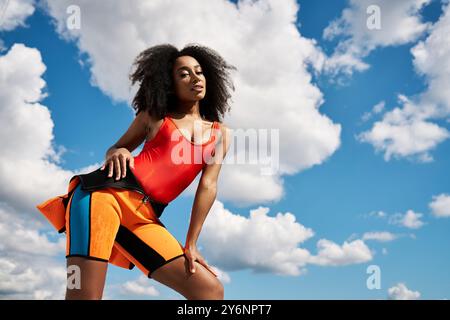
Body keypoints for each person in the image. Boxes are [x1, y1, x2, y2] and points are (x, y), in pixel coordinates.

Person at [36, 43, 236, 300]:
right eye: (184, 73)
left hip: (145, 217)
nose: (195, 77)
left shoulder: (220, 134)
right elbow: (117, 147)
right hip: (101, 197)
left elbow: (208, 186)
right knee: (84, 295)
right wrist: (117, 152)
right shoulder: (154, 116)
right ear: (169, 83)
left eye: (199, 71)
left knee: (209, 290)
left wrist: (192, 243)